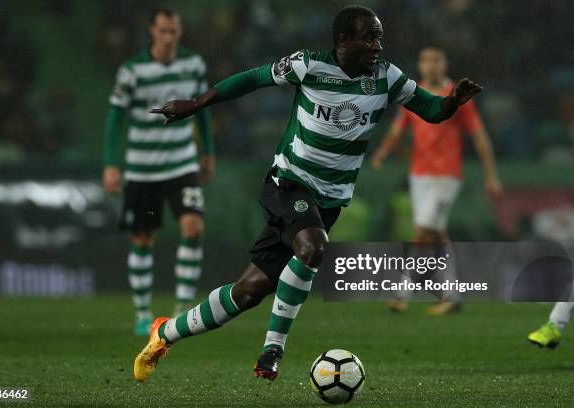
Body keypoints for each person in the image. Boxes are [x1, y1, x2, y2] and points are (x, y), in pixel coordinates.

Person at [134, 6, 482, 382]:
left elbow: (431, 110)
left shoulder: (387, 77)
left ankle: (164, 333)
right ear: (344, 40)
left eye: (379, 37)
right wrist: (197, 103)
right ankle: (273, 349)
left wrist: (451, 101)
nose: (377, 45)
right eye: (369, 36)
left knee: (248, 291)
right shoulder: (308, 65)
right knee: (314, 246)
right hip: (288, 182)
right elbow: (253, 79)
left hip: (329, 199)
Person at [103, 6, 215, 335]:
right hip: (143, 169)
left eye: (174, 31)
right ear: (152, 31)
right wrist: (111, 163)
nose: (169, 37)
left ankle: (181, 311)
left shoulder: (193, 64)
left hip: (182, 164)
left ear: (180, 32)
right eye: (163, 31)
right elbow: (115, 118)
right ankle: (142, 314)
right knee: (142, 237)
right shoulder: (132, 71)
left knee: (193, 229)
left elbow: (203, 109)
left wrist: (207, 151)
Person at [371, 46, 502, 315]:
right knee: (436, 234)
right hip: (419, 175)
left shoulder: (457, 97)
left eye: (436, 61)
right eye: (426, 61)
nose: (431, 65)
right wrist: (383, 151)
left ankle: (402, 293)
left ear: (444, 64)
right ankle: (451, 296)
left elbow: (479, 136)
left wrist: (491, 175)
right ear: (420, 65)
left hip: (447, 176)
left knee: (423, 232)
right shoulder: (414, 94)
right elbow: (398, 129)